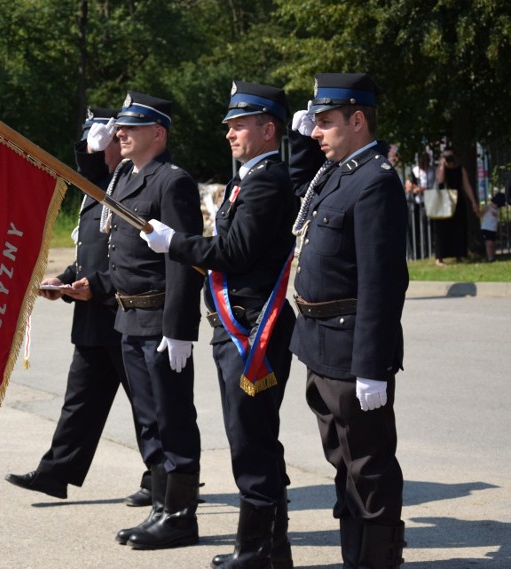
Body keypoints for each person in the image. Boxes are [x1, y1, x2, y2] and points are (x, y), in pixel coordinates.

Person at [141, 81, 297, 569]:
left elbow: (234, 252)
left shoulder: (267, 179)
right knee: (255, 435)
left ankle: (257, 550)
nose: (229, 133)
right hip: (241, 324)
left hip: (253, 327)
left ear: (267, 129)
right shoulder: (249, 179)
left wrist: (177, 243)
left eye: (239, 125)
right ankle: (270, 548)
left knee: (250, 439)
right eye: (229, 125)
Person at [289, 72, 408, 568]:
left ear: (357, 120)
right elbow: (299, 189)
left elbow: (382, 285)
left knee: (369, 466)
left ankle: (379, 561)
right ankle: (355, 558)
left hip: (352, 350)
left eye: (326, 122)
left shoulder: (376, 181)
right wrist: (300, 141)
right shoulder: (339, 172)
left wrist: (371, 366)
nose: (318, 133)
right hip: (320, 347)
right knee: (343, 465)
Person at [5, 107, 151, 504]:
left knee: (148, 404)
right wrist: (64, 280)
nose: (91, 151)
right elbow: (90, 256)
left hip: (124, 311)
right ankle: (57, 472)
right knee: (80, 402)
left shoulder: (133, 189)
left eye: (98, 142)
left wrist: (95, 286)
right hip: (92, 317)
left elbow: (134, 260)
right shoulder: (97, 193)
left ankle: (164, 479)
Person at [92, 91, 204, 550]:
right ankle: (161, 507)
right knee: (148, 420)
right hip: (128, 318)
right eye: (121, 126)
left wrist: (179, 329)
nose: (122, 133)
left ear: (157, 133)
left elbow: (184, 261)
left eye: (131, 127)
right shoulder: (125, 178)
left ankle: (179, 517)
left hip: (160, 319)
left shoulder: (171, 182)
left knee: (172, 418)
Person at [434, 148, 479, 266]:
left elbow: (467, 186)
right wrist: (442, 165)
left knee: (459, 229)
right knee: (442, 230)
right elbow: (440, 180)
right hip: (443, 203)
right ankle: (440, 258)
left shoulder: (460, 169)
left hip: (458, 202)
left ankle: (459, 254)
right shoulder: (440, 169)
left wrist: (473, 201)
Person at [404, 152, 433, 260]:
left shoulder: (432, 171)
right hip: (416, 203)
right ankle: (415, 253)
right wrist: (414, 188)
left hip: (430, 202)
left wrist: (422, 189)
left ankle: (428, 251)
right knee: (413, 228)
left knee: (428, 228)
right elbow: (408, 187)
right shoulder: (414, 171)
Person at [480, 192, 505, 262]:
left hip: (493, 228)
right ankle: (490, 257)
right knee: (489, 243)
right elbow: (481, 215)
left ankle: (493, 256)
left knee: (493, 243)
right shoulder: (487, 207)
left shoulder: (497, 209)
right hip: (486, 228)